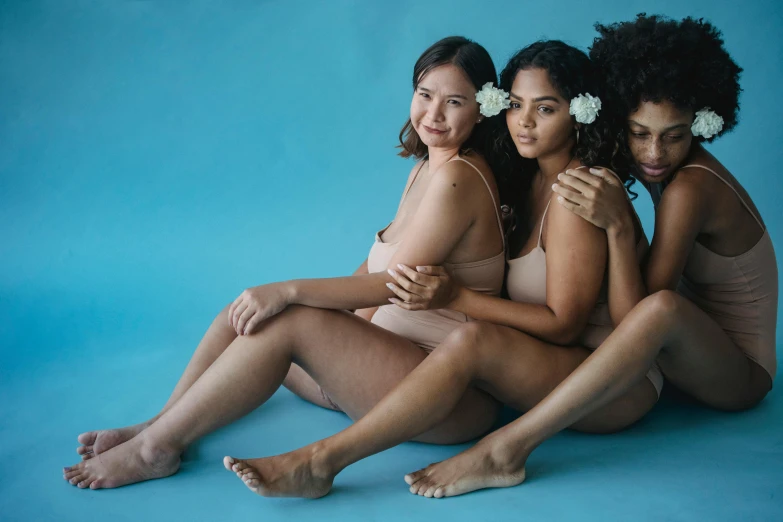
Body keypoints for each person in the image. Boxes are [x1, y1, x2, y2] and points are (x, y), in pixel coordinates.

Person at [221, 40, 664, 499]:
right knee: (262, 325)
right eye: (514, 105)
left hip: (610, 380)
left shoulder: (576, 193)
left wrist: (458, 299)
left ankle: (323, 460)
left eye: (545, 109)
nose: (525, 121)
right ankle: (161, 430)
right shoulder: (527, 176)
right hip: (545, 363)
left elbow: (567, 325)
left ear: (579, 114)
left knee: (472, 339)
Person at [62, 36, 508, 491]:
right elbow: (372, 267)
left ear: (481, 110)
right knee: (244, 317)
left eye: (454, 102)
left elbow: (389, 285)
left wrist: (290, 292)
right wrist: (339, 345)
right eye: (425, 95)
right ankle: (160, 425)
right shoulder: (425, 168)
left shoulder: (459, 178)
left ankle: (153, 451)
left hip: (442, 396)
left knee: (284, 317)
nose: (433, 114)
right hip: (384, 369)